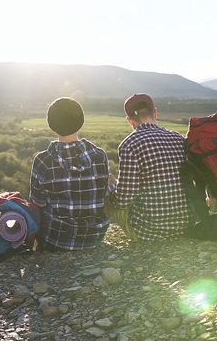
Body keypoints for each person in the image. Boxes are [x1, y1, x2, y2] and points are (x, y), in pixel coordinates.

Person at [106, 93, 196, 241]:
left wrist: (111, 189)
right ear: (155, 113)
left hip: (149, 231)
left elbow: (124, 199)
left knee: (108, 182)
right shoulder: (178, 138)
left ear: (130, 120)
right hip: (186, 225)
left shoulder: (129, 144)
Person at [29, 97, 111, 251]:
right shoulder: (100, 156)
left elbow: (37, 204)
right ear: (81, 121)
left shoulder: (42, 161)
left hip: (56, 239)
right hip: (94, 237)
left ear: (51, 124)